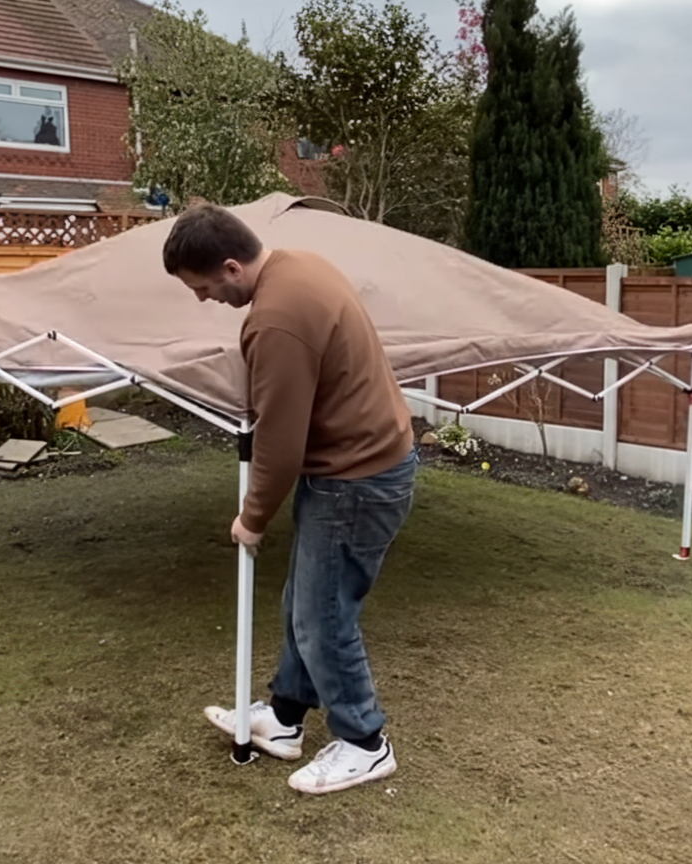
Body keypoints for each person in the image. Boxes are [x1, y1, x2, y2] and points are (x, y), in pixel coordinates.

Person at [163, 203, 416, 795]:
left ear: (231, 266)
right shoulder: (303, 266)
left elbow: (279, 438)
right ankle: (283, 719)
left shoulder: (275, 318)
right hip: (364, 465)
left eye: (202, 288)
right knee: (305, 602)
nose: (203, 300)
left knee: (322, 616)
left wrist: (253, 519)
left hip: (356, 479)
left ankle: (364, 742)